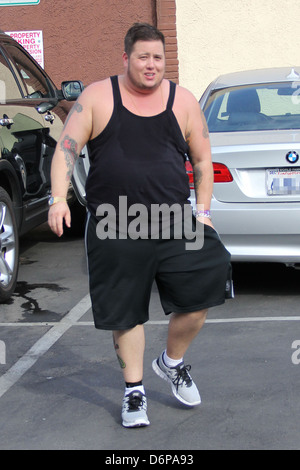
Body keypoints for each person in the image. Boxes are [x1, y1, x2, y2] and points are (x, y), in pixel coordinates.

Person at [48, 23, 231, 428]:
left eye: (158, 58)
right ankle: (134, 391)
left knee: (208, 278)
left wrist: (202, 212)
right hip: (115, 223)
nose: (152, 65)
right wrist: (58, 199)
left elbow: (202, 161)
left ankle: (172, 362)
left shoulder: (182, 101)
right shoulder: (98, 96)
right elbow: (66, 150)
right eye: (144, 57)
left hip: (174, 219)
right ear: (127, 57)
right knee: (126, 313)